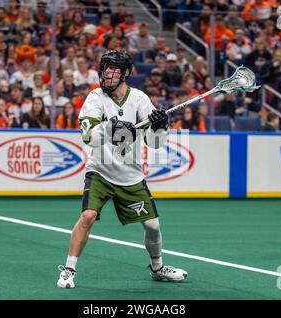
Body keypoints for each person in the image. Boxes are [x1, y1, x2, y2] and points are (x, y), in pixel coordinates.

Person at [57, 50, 187, 289]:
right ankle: (68, 270)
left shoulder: (139, 99)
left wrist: (160, 127)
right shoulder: (95, 98)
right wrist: (111, 128)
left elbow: (155, 143)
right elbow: (88, 137)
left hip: (131, 175)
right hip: (100, 171)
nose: (107, 73)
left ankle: (157, 269)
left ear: (126, 73)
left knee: (153, 226)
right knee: (87, 216)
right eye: (105, 68)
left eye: (113, 69)